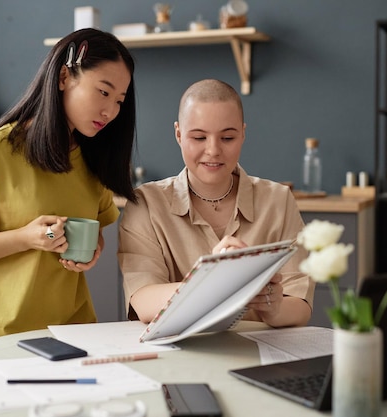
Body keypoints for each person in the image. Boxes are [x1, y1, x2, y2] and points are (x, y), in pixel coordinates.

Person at [0, 28, 137, 350]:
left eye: (119, 101)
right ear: (63, 77)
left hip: (69, 329)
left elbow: (95, 226)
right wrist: (24, 237)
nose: (111, 111)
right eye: (103, 92)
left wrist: (93, 250)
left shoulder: (93, 160)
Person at [118, 79, 314, 328]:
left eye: (228, 138)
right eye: (199, 137)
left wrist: (273, 306)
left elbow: (300, 306)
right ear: (178, 134)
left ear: (243, 133)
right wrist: (213, 281)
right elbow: (143, 301)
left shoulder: (278, 200)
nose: (213, 150)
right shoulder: (145, 204)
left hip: (258, 354)